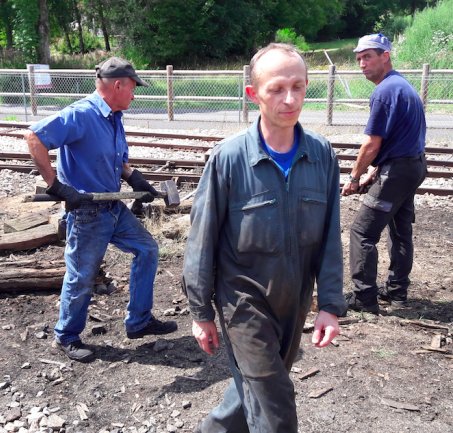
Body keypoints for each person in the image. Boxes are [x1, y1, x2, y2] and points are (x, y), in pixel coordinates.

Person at [182, 43, 347, 432]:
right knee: (275, 410)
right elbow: (200, 241)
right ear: (253, 94)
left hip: (295, 302)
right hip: (244, 305)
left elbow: (330, 236)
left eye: (299, 87)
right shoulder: (229, 159)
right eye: (276, 89)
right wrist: (201, 312)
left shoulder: (321, 155)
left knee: (250, 393)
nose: (289, 99)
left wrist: (331, 303)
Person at [23, 57, 177, 363]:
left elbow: (115, 160)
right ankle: (66, 336)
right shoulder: (82, 114)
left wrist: (134, 178)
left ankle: (139, 322)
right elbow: (34, 137)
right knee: (82, 276)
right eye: (133, 88)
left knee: (147, 249)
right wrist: (56, 185)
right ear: (118, 85)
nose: (135, 94)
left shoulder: (113, 117)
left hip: (113, 207)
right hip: (87, 212)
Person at [342, 34, 428, 314]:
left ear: (385, 56)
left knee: (362, 231)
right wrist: (376, 172)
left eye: (367, 57)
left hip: (398, 172)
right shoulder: (402, 86)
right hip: (412, 166)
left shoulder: (384, 91)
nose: (362, 64)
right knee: (400, 230)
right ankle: (397, 293)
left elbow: (372, 143)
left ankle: (364, 298)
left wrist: (355, 177)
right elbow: (399, 140)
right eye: (359, 59)